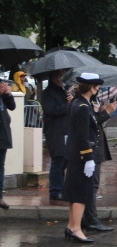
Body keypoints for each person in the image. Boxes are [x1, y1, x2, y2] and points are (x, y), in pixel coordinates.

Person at [63, 73, 104, 243]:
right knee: (81, 195)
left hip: (76, 156)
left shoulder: (79, 103)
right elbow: (82, 135)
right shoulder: (82, 107)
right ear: (92, 88)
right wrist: (88, 157)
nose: (98, 90)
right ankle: (76, 228)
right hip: (82, 157)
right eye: (97, 87)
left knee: (76, 194)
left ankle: (72, 226)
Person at [81, 91, 116, 232]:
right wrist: (106, 113)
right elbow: (92, 123)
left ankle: (86, 218)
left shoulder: (90, 102)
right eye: (96, 87)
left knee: (91, 185)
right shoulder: (82, 104)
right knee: (91, 186)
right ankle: (91, 220)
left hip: (95, 147)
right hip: (90, 149)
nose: (97, 90)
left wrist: (101, 111)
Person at [41, 69, 71, 201]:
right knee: (58, 160)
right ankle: (55, 190)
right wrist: (67, 105)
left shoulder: (63, 92)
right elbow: (52, 110)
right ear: (55, 78)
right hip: (55, 131)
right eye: (61, 76)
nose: (63, 79)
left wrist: (70, 100)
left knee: (64, 160)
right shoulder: (48, 93)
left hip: (65, 130)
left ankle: (62, 188)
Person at [0, 81, 16, 209]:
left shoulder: (2, 86)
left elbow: (12, 106)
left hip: (3, 133)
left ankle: (0, 197)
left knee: (1, 167)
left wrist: (8, 94)